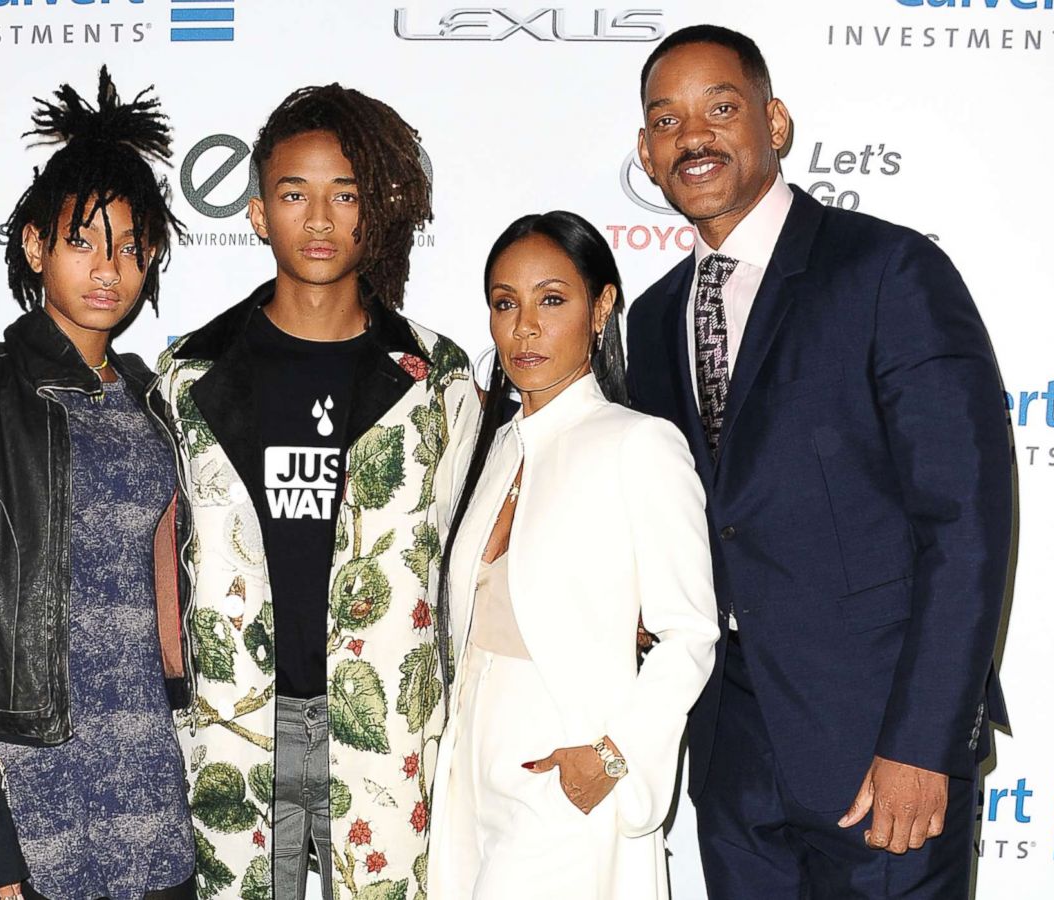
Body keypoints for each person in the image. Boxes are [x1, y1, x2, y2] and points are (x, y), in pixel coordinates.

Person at [624, 25, 1013, 899]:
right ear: (646, 155)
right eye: (666, 120)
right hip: (731, 766)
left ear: (777, 122)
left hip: (883, 754)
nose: (695, 137)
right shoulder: (652, 322)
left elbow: (966, 522)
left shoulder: (888, 271)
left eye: (720, 108)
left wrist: (923, 743)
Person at [153, 84, 478, 899]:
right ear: (260, 212)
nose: (322, 219)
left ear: (376, 210)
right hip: (232, 728)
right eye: (296, 194)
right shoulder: (191, 373)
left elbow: (473, 555)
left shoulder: (435, 377)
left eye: (347, 194)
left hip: (388, 740)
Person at [0, 68, 196, 900]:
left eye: (130, 245)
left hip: (151, 775)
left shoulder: (155, 396)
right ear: (36, 246)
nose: (109, 268)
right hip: (35, 793)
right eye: (83, 240)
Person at [424, 211, 718, 899]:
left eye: (551, 299)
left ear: (600, 307)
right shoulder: (490, 449)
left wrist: (615, 757)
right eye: (505, 303)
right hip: (468, 767)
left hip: (565, 768)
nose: (524, 327)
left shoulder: (638, 444)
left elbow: (691, 631)